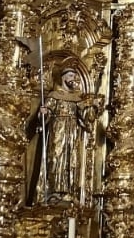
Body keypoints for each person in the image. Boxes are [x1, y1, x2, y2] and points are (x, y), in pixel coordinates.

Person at [38, 68, 98, 202]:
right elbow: (45, 114)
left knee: (72, 159)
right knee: (57, 158)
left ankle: (70, 191)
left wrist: (92, 107)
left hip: (73, 132)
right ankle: (55, 191)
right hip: (58, 130)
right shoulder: (54, 95)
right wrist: (44, 112)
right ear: (64, 77)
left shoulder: (77, 98)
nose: (74, 78)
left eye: (75, 76)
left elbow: (87, 117)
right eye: (71, 75)